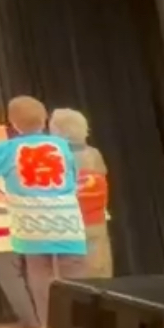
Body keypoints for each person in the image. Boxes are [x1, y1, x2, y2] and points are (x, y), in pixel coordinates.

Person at [0, 99, 87, 323]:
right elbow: (73, 178)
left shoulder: (10, 149)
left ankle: (50, 326)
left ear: (14, 124)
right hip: (67, 221)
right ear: (44, 120)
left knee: (41, 277)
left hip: (31, 223)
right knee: (76, 280)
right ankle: (81, 326)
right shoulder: (62, 146)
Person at [51, 108, 112, 278]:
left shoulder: (55, 157)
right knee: (99, 271)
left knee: (73, 279)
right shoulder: (94, 154)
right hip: (96, 222)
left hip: (70, 226)